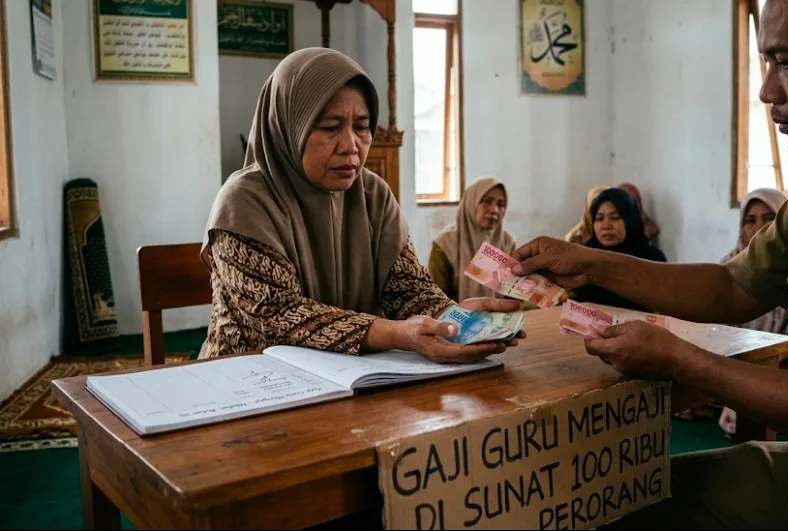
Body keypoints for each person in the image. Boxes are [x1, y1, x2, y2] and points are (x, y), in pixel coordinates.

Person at [511, 1, 788, 527]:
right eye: (765, 62)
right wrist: (592, 264)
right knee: (617, 503)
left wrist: (684, 362)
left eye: (787, 62)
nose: (766, 91)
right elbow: (732, 288)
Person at [198, 48, 522, 364]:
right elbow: (281, 315)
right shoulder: (243, 202)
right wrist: (396, 334)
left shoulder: (372, 194)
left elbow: (409, 291)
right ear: (289, 127)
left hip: (347, 377)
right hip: (246, 381)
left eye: (362, 126)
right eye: (330, 127)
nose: (351, 145)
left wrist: (452, 320)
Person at [718, 188, 788, 437]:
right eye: (750, 220)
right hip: (733, 368)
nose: (759, 227)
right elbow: (718, 333)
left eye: (770, 218)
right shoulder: (726, 268)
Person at [574, 188, 667, 311]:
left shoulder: (652, 259)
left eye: (615, 217)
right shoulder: (585, 256)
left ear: (630, 220)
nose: (606, 226)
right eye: (599, 218)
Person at [429, 177, 516, 302]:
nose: (494, 210)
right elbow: (436, 298)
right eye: (486, 201)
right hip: (453, 318)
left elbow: (513, 294)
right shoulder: (444, 245)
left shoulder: (508, 242)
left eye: (501, 204)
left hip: (502, 317)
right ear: (471, 202)